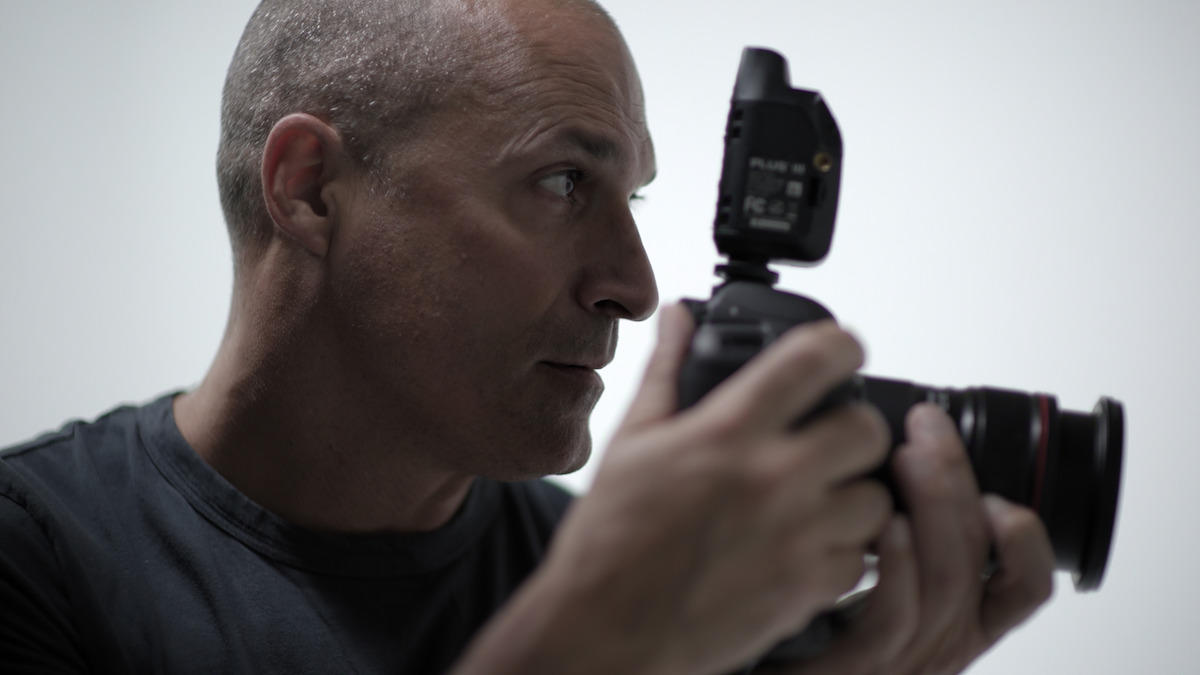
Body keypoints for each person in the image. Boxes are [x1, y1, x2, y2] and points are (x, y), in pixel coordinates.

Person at [0, 0, 1055, 673]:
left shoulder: (643, 593)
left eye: (634, 196)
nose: (637, 288)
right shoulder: (39, 558)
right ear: (311, 190)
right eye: (563, 183)